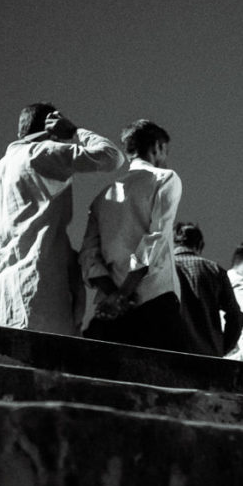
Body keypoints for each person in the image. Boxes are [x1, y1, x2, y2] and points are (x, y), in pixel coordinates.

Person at [0, 104, 123, 335]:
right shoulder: (41, 153)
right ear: (52, 123)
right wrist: (73, 132)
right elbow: (111, 157)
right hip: (41, 300)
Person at [80, 119, 184, 349]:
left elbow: (88, 255)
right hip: (155, 301)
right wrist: (126, 292)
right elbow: (156, 238)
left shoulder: (101, 197)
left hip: (113, 310)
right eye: (164, 151)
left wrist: (114, 296)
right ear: (157, 147)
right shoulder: (165, 179)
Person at [172, 222, 243, 356]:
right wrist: (221, 348)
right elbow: (236, 317)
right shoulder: (214, 270)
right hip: (208, 357)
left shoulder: (163, 268)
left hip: (168, 355)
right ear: (200, 246)